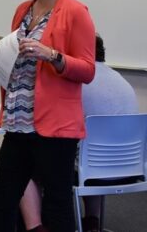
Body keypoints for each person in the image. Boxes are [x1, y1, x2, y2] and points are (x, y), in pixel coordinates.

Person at [0, 0, 96, 232]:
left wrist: (52, 55)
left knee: (57, 204)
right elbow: (15, 57)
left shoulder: (77, 12)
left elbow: (88, 70)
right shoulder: (23, 10)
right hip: (17, 121)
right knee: (3, 201)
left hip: (54, 127)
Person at [19, 34, 139, 232]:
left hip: (88, 171)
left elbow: (48, 124)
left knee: (23, 165)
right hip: (129, 170)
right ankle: (92, 221)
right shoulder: (123, 83)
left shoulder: (75, 82)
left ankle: (36, 227)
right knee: (90, 153)